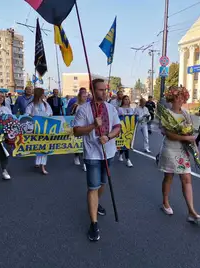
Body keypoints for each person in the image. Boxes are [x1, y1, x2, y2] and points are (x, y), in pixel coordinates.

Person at [73, 78, 121, 242]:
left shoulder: (111, 108)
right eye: (100, 90)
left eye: (105, 89)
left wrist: (108, 136)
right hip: (92, 153)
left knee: (102, 184)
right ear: (93, 91)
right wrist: (93, 125)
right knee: (93, 187)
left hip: (109, 152)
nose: (104, 92)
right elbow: (77, 131)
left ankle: (96, 202)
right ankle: (94, 223)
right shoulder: (83, 110)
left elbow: (118, 128)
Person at [157, 86, 200, 223]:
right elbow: (168, 134)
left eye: (183, 97)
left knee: (187, 178)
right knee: (169, 176)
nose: (180, 99)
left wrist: (194, 147)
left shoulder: (185, 112)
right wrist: (186, 138)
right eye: (178, 97)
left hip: (183, 150)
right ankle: (165, 202)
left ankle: (191, 211)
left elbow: (189, 132)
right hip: (170, 148)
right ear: (172, 98)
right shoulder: (166, 113)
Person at [26, 88, 53, 175]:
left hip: (45, 128)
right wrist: (33, 116)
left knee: (45, 146)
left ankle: (43, 166)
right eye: (42, 93)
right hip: (36, 128)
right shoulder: (32, 105)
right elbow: (27, 114)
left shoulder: (45, 104)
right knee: (38, 146)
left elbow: (50, 113)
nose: (44, 95)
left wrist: (48, 115)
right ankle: (38, 162)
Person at [71, 90, 88, 171]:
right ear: (79, 97)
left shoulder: (88, 105)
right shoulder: (75, 105)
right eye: (83, 96)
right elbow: (71, 116)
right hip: (78, 127)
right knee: (78, 144)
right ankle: (76, 156)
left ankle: (84, 163)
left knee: (85, 145)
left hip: (86, 127)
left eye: (86, 96)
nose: (85, 98)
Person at [118, 95, 134, 167]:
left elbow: (133, 118)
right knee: (123, 143)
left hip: (129, 128)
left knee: (126, 143)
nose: (127, 100)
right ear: (123, 100)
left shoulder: (131, 109)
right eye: (125, 99)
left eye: (128, 99)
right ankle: (127, 159)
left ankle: (123, 156)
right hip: (121, 128)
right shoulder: (119, 109)